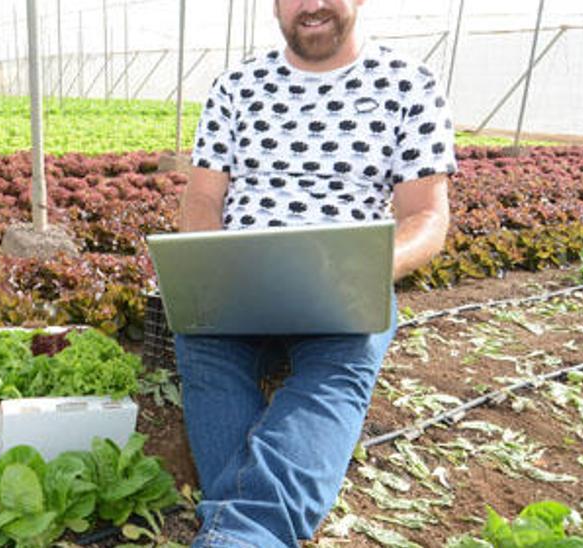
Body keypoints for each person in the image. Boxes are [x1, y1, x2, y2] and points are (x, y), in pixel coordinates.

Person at [175, 0, 456, 545]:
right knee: (205, 349)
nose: (311, 5)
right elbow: (203, 196)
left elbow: (426, 216)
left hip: (345, 290)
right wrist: (209, 263)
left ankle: (236, 534)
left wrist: (370, 270)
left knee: (337, 373)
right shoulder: (236, 86)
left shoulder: (408, 85)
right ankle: (249, 532)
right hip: (242, 278)